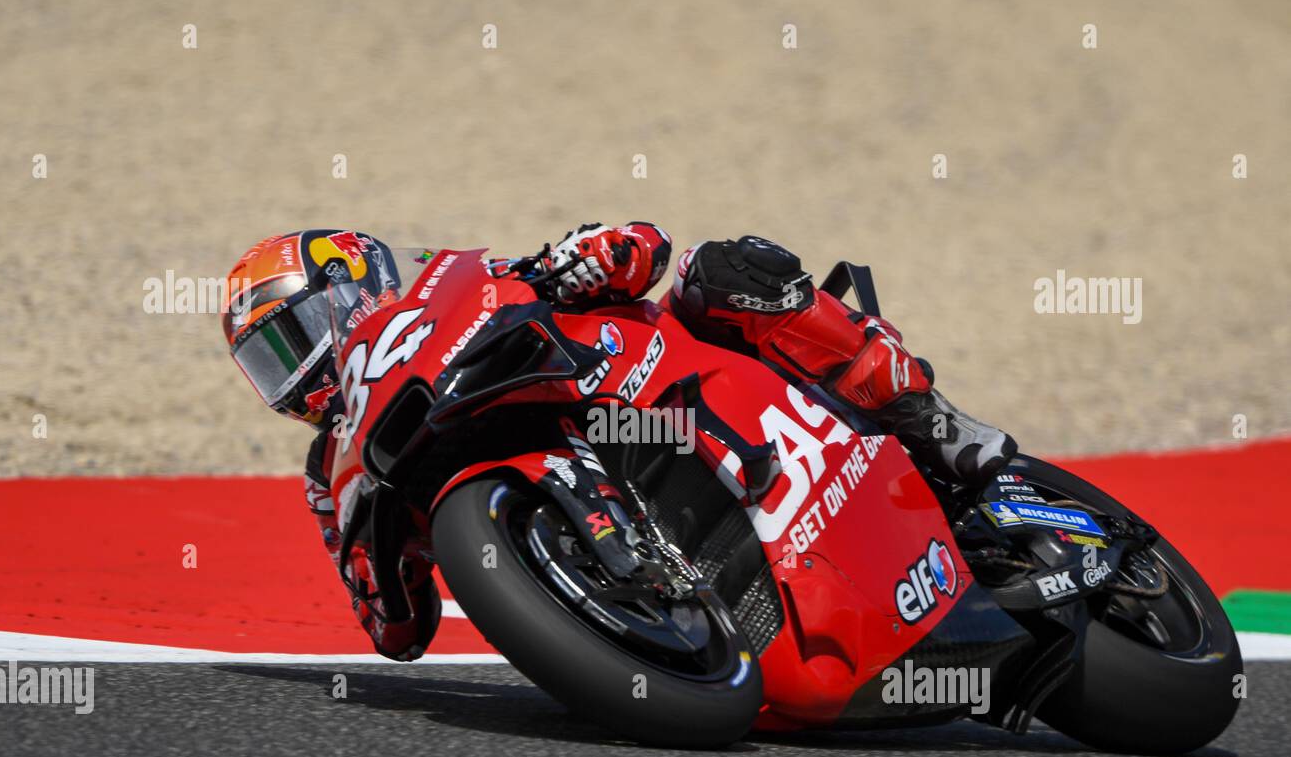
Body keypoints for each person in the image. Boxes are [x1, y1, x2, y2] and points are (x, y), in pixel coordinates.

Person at [221, 225, 1016, 661]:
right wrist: (376, 574)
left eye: (292, 337)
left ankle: (936, 424)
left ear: (349, 285)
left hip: (658, 385)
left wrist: (594, 253)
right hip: (515, 463)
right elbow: (397, 633)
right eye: (269, 362)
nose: (292, 373)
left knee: (725, 268)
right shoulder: (331, 475)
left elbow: (640, 247)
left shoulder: (462, 284)